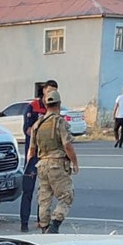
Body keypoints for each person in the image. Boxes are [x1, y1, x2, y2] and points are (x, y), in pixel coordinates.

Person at [27, 88, 79, 234]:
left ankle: (44, 227)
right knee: (66, 196)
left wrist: (29, 167)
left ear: (45, 105)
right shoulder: (59, 122)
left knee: (44, 198)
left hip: (42, 164)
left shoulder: (37, 124)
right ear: (59, 104)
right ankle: (55, 225)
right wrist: (75, 163)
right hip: (57, 164)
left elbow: (31, 150)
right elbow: (67, 145)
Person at [20, 79, 58, 232]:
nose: (51, 94)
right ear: (44, 91)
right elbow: (27, 130)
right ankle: (24, 222)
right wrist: (40, 129)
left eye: (54, 92)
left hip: (47, 156)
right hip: (33, 155)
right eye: (49, 91)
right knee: (28, 190)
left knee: (45, 191)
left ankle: (41, 221)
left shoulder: (54, 108)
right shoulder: (33, 106)